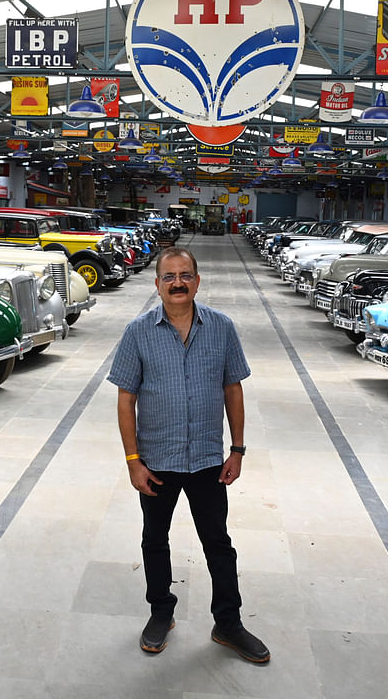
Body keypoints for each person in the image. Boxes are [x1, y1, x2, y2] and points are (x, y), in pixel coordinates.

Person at [107, 246, 270, 664]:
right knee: (154, 539)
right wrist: (132, 461)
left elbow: (233, 388)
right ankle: (161, 612)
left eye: (185, 275)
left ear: (197, 281)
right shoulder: (137, 332)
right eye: (169, 276)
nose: (177, 283)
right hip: (156, 462)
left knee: (218, 541)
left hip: (207, 460)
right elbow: (126, 400)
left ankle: (228, 623)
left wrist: (236, 450)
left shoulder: (221, 328)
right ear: (156, 283)